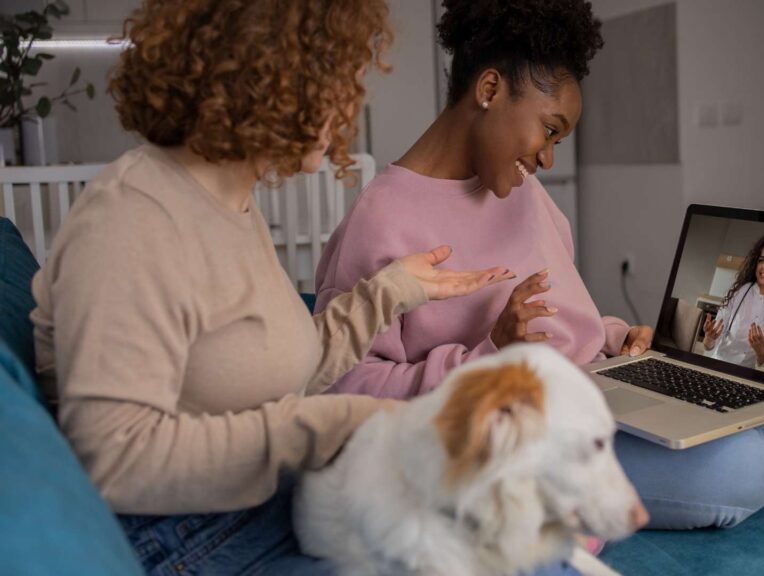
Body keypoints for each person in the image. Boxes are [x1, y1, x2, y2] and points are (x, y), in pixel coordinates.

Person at [315, 0, 764, 536]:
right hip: (528, 439)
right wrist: (487, 357)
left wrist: (621, 336)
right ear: (491, 90)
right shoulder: (378, 224)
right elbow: (343, 396)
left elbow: (571, 323)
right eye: (549, 130)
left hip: (605, 385)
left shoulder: (526, 196)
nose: (548, 158)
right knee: (745, 467)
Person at [28, 1, 525, 574]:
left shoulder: (232, 201)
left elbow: (268, 366)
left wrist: (388, 292)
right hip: (179, 538)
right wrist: (330, 425)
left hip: (244, 507)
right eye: (337, 79)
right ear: (270, 73)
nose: (348, 106)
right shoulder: (132, 219)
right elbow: (114, 458)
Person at [703, 232, 764, 369]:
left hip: (746, 374)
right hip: (719, 365)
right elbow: (708, 346)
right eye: (761, 260)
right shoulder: (738, 292)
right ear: (756, 263)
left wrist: (760, 350)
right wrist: (709, 338)